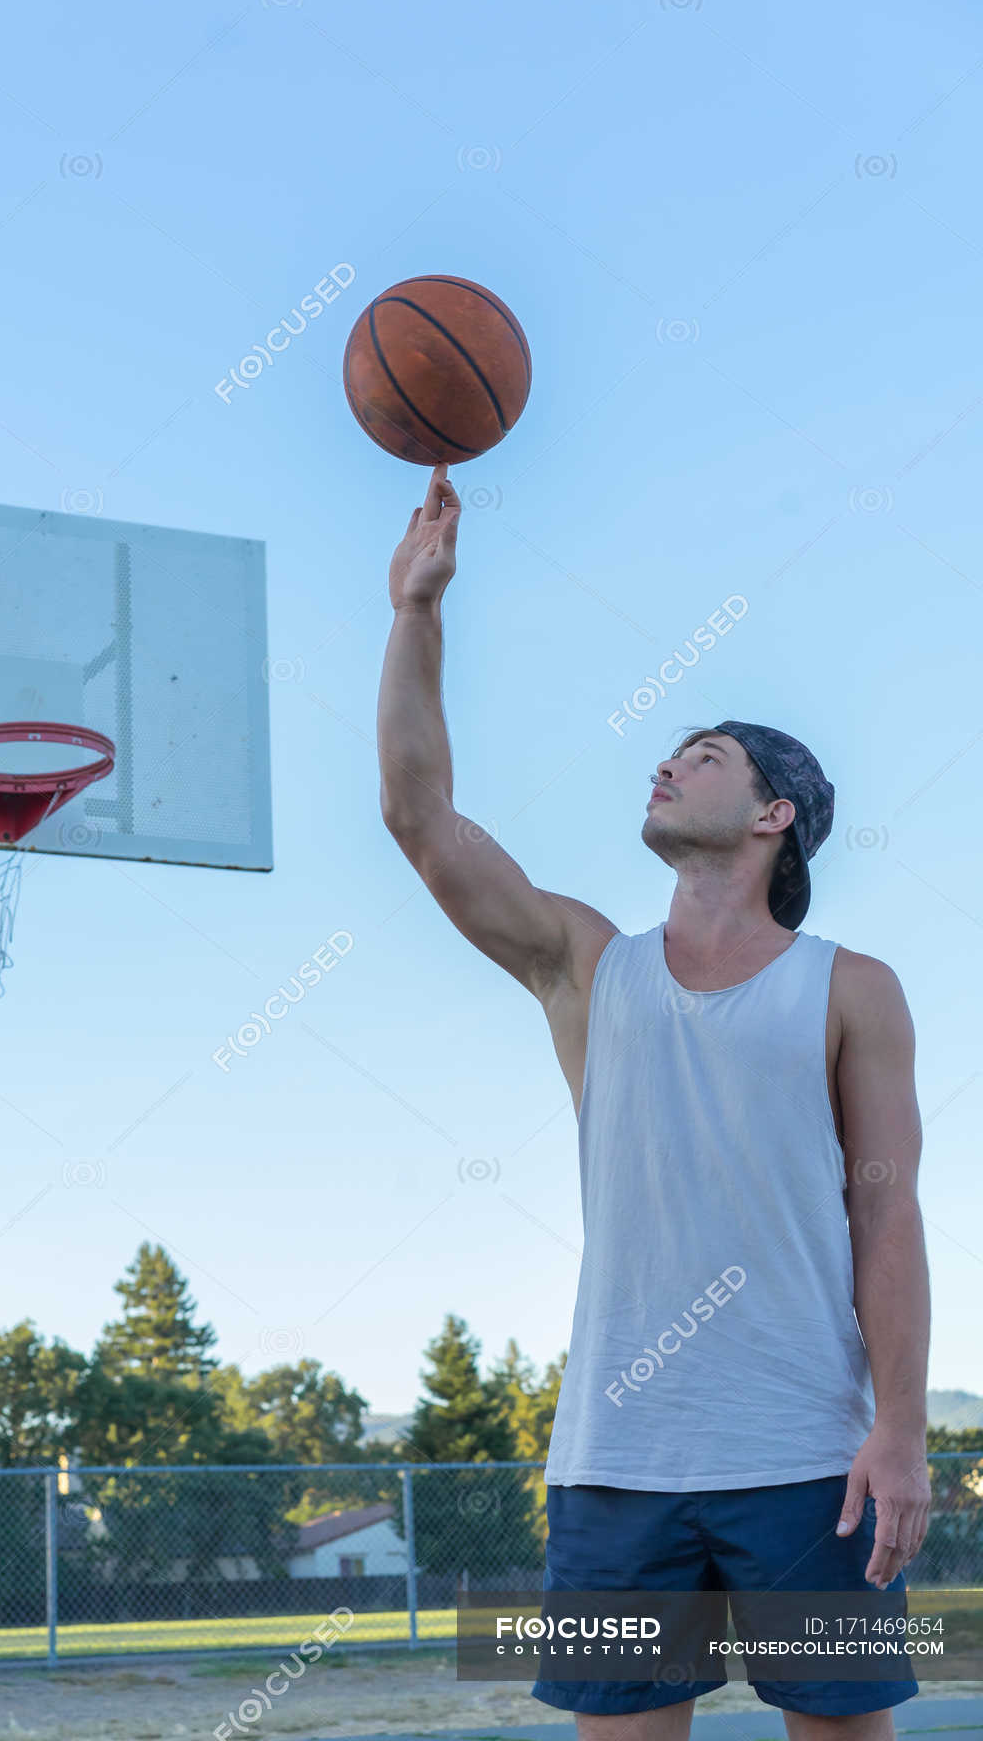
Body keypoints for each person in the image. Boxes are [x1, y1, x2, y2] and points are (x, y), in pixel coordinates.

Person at [376, 463, 932, 1740]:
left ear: (774, 816)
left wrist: (899, 1430)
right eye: (671, 751)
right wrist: (418, 611)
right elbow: (419, 819)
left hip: (811, 1464)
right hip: (615, 1466)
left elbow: (887, 1221)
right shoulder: (588, 963)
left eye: (707, 755)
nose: (668, 765)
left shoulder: (853, 990)